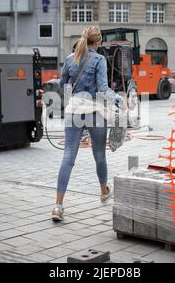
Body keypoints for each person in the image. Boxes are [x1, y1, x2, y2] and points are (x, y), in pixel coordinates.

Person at [52, 26, 126, 222]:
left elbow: (62, 85)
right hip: (95, 112)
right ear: (98, 42)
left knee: (68, 157)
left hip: (74, 111)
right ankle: (103, 192)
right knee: (99, 154)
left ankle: (58, 206)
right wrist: (120, 100)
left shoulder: (70, 59)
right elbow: (103, 89)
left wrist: (72, 98)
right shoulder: (99, 60)